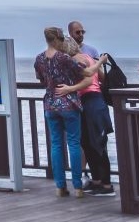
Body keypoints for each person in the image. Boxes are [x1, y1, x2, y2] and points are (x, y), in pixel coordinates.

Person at [34, 27, 92, 198]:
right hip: (69, 104)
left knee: (56, 144)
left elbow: (41, 79)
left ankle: (60, 186)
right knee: (73, 143)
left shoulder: (39, 58)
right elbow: (84, 73)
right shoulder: (64, 58)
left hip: (50, 104)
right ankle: (78, 186)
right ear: (58, 39)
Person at [71, 47, 115, 197]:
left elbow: (90, 77)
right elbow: (100, 77)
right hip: (86, 101)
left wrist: (69, 88)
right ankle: (96, 181)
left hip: (93, 101)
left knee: (98, 144)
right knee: (87, 143)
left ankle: (107, 185)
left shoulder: (80, 59)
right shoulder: (84, 58)